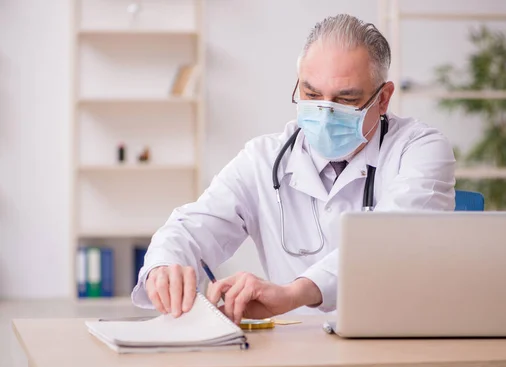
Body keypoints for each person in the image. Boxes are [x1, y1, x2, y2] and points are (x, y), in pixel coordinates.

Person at [131, 14, 455, 324]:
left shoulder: (420, 149)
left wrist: (293, 294)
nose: (325, 113)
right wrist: (165, 265)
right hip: (293, 352)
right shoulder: (263, 159)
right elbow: (194, 225)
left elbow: (393, 240)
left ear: (383, 99)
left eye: (345, 100)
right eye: (312, 94)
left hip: (394, 349)